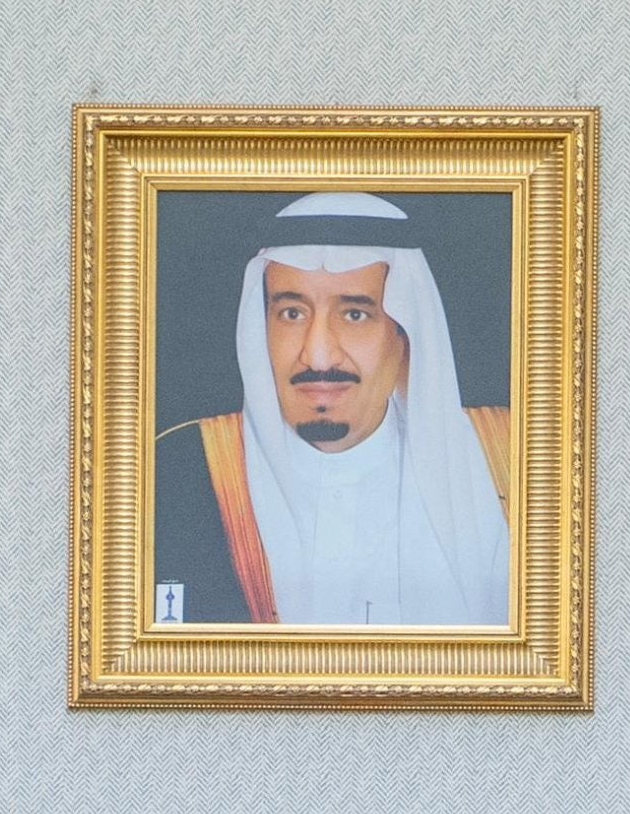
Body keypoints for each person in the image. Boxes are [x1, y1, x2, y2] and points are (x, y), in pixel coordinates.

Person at [149, 194, 514, 627]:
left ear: (405, 333)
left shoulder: (506, 463)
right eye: (291, 313)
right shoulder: (178, 472)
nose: (318, 354)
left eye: (355, 314)